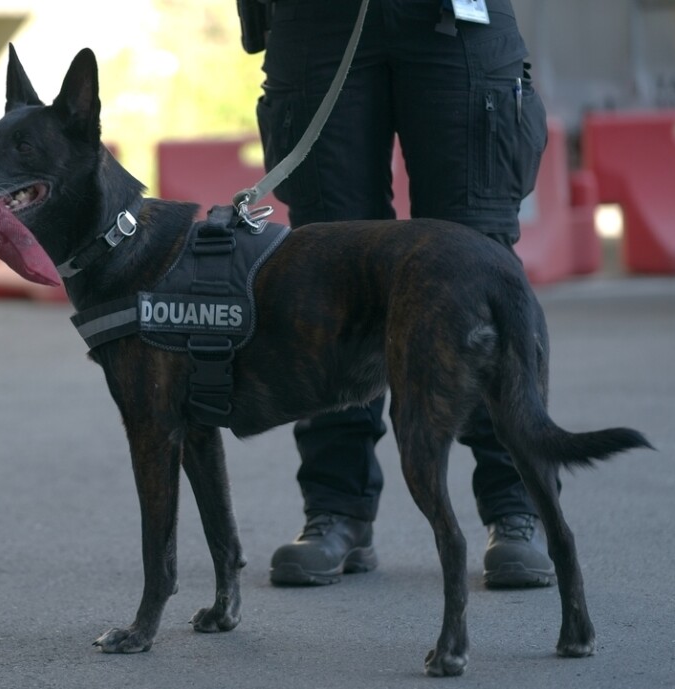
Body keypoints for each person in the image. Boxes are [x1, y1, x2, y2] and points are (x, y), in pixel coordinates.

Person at [236, 0, 557, 589]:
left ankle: (517, 506)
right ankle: (338, 508)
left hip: (456, 15)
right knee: (326, 265)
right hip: (317, 21)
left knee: (477, 258)